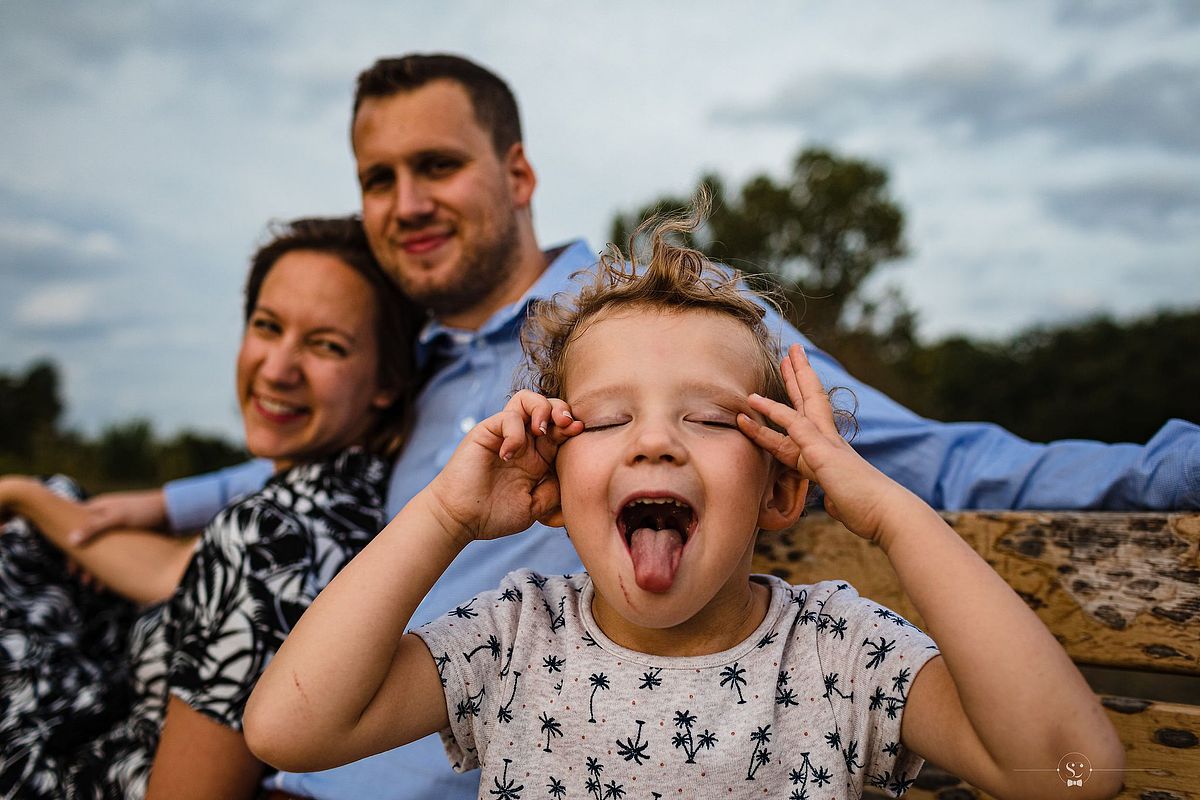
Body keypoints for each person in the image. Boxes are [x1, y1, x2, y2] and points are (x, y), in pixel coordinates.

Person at [72, 54, 1197, 799]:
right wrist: (152, 499)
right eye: (379, 176)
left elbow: (936, 460)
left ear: (518, 174)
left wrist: (1165, 469)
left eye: (438, 164)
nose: (405, 200)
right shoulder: (426, 377)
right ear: (550, 471)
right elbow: (292, 498)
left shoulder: (661, 325)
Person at [244, 208, 1124, 800]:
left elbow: (1072, 770)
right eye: (608, 418)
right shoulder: (512, 641)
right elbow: (287, 728)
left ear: (780, 484)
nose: (654, 442)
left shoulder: (840, 656)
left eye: (706, 418)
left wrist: (891, 512)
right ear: (551, 484)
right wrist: (443, 515)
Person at [0, 216, 419, 799]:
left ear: (388, 382)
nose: (277, 369)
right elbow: (174, 573)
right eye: (267, 327)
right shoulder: (341, 501)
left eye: (326, 345)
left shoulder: (266, 534)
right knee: (52, 508)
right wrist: (25, 494)